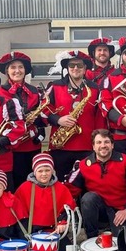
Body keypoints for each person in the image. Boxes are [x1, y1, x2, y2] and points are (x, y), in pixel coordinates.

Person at [65, 129, 126, 239]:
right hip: (99, 210)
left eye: (106, 142)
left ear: (112, 145)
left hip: (121, 211)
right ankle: (91, 238)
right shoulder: (82, 165)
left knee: (123, 241)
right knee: (88, 198)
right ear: (93, 146)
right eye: (99, 142)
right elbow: (70, 191)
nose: (103, 145)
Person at [44, 50, 105, 181]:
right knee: (62, 182)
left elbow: (100, 116)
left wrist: (98, 142)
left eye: (79, 65)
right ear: (67, 68)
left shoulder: (94, 88)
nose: (75, 68)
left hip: (87, 145)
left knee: (87, 183)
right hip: (61, 146)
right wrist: (58, 119)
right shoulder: (54, 86)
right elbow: (44, 109)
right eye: (72, 65)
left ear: (85, 69)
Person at [14, 152, 76, 251]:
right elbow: (18, 214)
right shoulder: (24, 188)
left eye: (47, 170)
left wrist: (62, 223)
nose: (44, 174)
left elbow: (68, 207)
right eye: (40, 171)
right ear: (34, 172)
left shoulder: (60, 188)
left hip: (53, 231)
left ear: (52, 170)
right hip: (32, 232)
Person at [0, 51, 46, 188]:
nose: (17, 71)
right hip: (9, 148)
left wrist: (39, 128)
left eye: (20, 67)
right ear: (7, 71)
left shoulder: (35, 91)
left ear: (25, 70)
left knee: (32, 185)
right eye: (13, 67)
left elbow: (43, 117)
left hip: (31, 144)